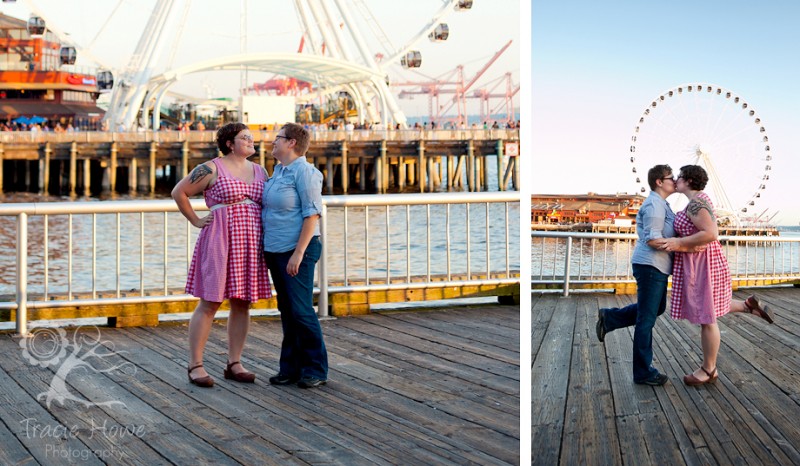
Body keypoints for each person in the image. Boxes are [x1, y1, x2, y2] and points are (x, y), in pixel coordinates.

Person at [172, 122, 271, 387]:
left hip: (250, 242)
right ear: (230, 143)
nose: (252, 141)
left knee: (242, 302)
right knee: (210, 301)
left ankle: (234, 363)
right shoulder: (211, 168)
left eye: (252, 137)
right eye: (245, 138)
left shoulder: (260, 171)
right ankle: (195, 364)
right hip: (219, 239)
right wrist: (194, 219)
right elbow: (179, 192)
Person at [657, 165, 774, 386]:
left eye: (679, 177)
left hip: (703, 265)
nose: (676, 180)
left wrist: (678, 242)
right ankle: (748, 306)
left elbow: (710, 233)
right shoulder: (698, 201)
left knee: (706, 318)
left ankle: (709, 369)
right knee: (706, 306)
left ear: (689, 180)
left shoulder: (697, 203)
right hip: (701, 262)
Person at [596, 165, 687, 385]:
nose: (674, 180)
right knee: (646, 321)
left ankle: (610, 318)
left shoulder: (662, 203)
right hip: (650, 266)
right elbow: (652, 239)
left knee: (657, 309)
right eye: (670, 178)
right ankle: (643, 372)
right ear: (659, 181)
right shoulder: (655, 205)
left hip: (657, 266)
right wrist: (682, 246)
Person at [262, 122, 328, 389]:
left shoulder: (305, 172)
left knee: (301, 311)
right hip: (275, 250)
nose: (272, 142)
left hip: (297, 249)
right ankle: (290, 368)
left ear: (291, 143)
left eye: (277, 138)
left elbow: (312, 214)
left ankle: (316, 368)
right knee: (287, 310)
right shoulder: (278, 171)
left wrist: (298, 253)